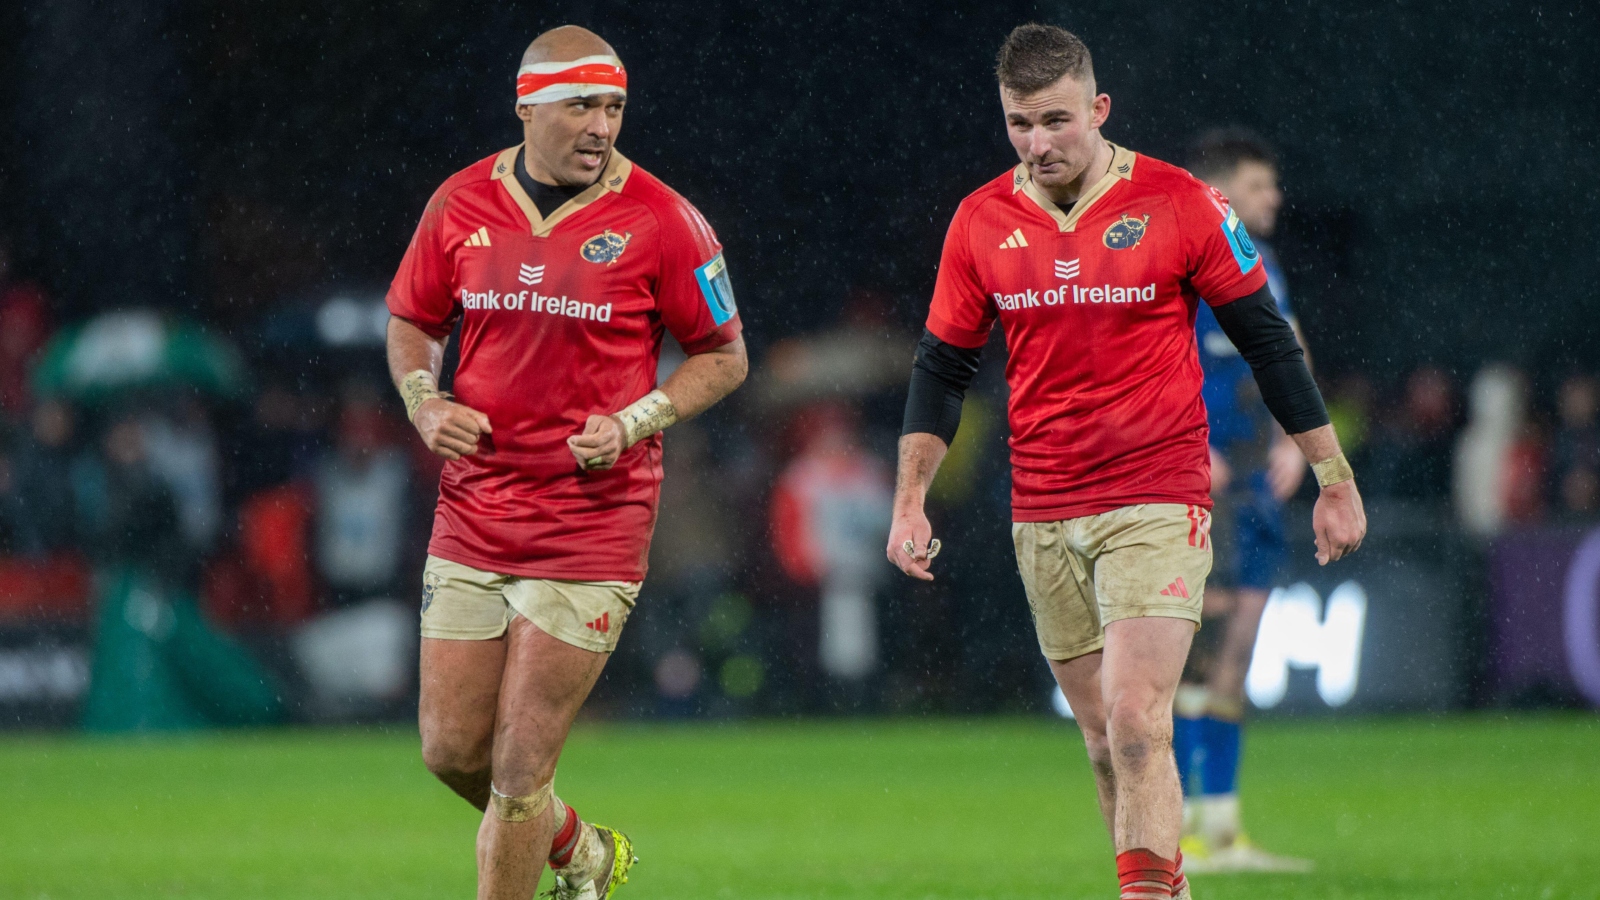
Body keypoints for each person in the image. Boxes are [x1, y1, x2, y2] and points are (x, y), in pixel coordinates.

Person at [885, 24, 1366, 900]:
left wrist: (1333, 476)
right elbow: (942, 367)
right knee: (1106, 739)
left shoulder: (1182, 203)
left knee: (1141, 722)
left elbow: (1269, 342)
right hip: (1043, 506)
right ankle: (1166, 886)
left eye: (1056, 121)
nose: (1038, 144)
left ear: (1099, 109)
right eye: (1020, 124)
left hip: (1158, 497)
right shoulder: (981, 219)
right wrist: (910, 499)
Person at [385, 26, 747, 900]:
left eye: (614, 106)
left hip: (591, 522)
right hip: (474, 510)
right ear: (527, 106)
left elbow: (725, 355)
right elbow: (412, 322)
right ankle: (580, 851)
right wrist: (424, 401)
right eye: (582, 104)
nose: (601, 126)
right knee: (451, 751)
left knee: (518, 770)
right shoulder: (461, 202)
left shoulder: (663, 218)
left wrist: (634, 421)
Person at [1172, 129, 1311, 872]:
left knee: (1239, 650)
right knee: (1194, 653)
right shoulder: (1180, 261)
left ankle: (1222, 831)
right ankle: (1177, 829)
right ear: (1220, 189)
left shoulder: (1262, 262)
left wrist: (1295, 440)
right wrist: (1189, 443)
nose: (1274, 197)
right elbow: (1150, 360)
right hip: (1196, 478)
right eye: (1259, 185)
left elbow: (1289, 348)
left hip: (1256, 477)